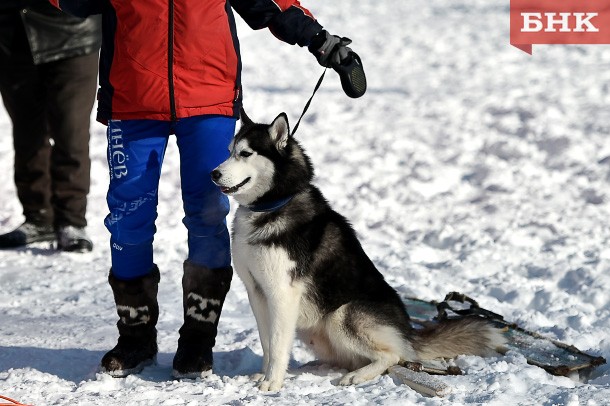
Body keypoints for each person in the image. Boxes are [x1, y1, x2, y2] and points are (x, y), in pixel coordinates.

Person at [50, 0, 359, 379]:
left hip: (208, 101)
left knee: (208, 213)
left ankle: (198, 339)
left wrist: (320, 40)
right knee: (128, 217)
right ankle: (134, 336)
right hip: (133, 102)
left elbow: (270, 5)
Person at [0, 1, 101, 252]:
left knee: (71, 131)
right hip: (13, 32)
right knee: (27, 132)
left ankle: (72, 221)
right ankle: (38, 218)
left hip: (74, 30)